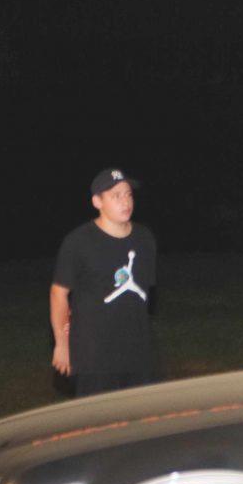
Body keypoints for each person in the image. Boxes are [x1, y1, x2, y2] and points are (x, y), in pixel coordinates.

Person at [50, 167, 161, 396]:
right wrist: (62, 343)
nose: (125, 201)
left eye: (128, 194)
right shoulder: (78, 242)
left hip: (138, 354)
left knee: (141, 415)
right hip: (95, 358)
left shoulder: (145, 238)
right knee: (98, 418)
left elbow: (145, 295)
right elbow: (58, 293)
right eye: (116, 196)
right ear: (97, 201)